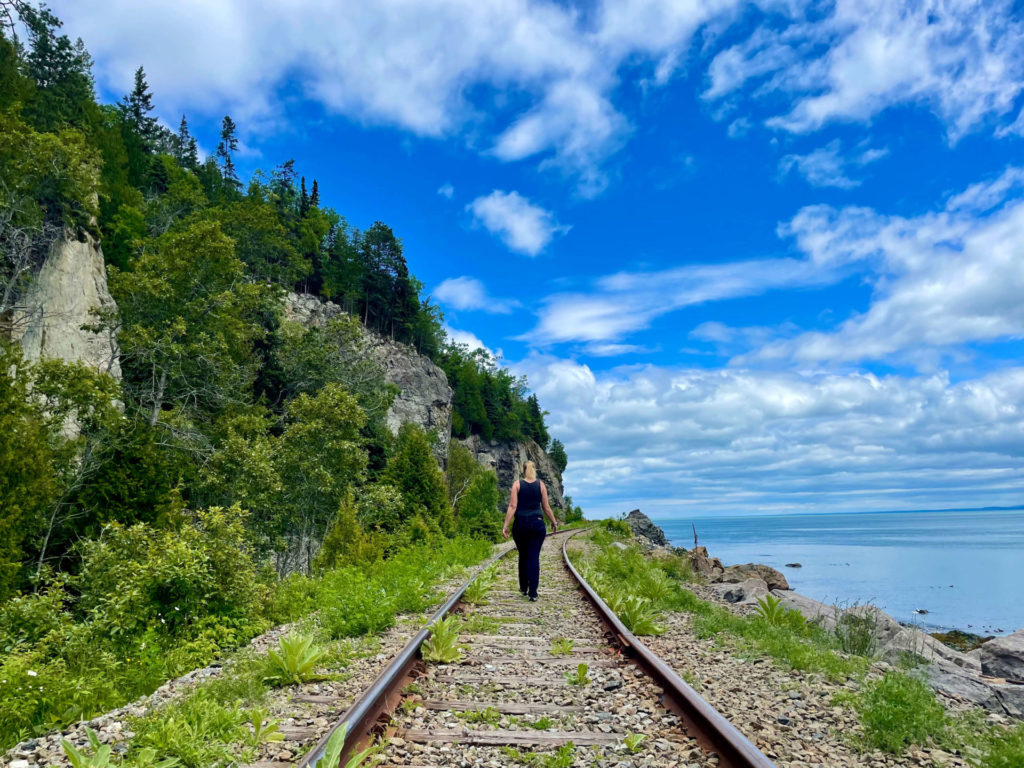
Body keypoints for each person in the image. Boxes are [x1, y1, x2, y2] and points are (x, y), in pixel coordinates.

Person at [502, 460, 559, 601]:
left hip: (520, 524)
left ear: (523, 470)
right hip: (537, 524)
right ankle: (533, 593)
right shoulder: (541, 485)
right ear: (535, 470)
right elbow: (546, 507)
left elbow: (512, 505)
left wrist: (506, 525)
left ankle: (523, 588)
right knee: (533, 556)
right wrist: (554, 522)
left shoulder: (517, 484)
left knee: (523, 555)